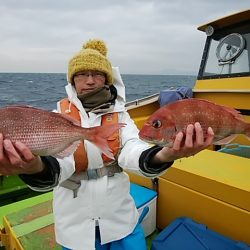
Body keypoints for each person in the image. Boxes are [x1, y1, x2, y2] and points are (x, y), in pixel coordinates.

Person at [0, 39, 214, 250]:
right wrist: (34, 167)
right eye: (82, 74)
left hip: (120, 218)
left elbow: (132, 149)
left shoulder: (121, 116)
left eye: (97, 74)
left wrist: (164, 155)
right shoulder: (58, 118)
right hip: (75, 225)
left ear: (107, 80)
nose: (90, 81)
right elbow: (60, 164)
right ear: (72, 81)